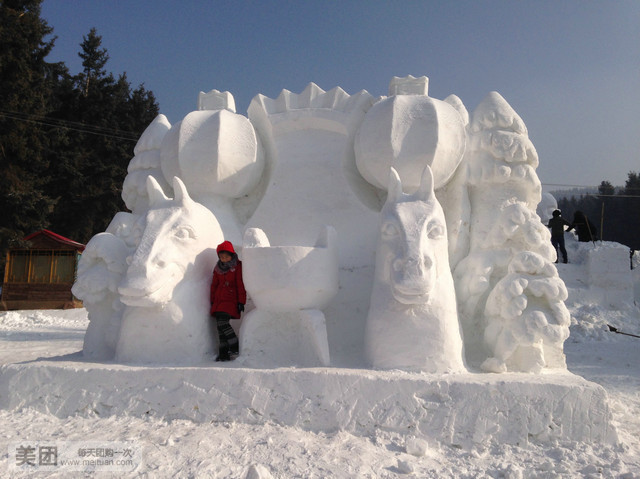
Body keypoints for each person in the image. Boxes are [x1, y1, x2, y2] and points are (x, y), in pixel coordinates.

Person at [210, 241, 246, 361]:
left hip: (231, 299)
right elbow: (214, 285)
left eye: (226, 256)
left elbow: (240, 284)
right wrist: (212, 300)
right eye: (221, 257)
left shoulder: (238, 266)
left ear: (232, 254)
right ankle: (223, 353)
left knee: (223, 323)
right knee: (219, 327)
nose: (224, 259)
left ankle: (235, 344)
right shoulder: (217, 268)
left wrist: (241, 301)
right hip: (219, 300)